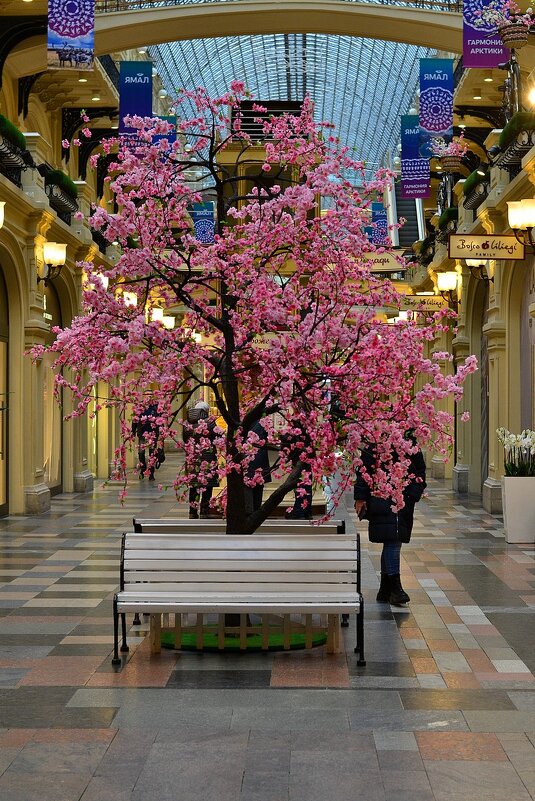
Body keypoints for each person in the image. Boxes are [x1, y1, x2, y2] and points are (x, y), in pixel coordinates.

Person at [354, 435, 426, 605]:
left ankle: (386, 588)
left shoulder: (410, 442)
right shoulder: (375, 440)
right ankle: (395, 587)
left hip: (403, 497)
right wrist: (361, 497)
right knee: (393, 539)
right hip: (381, 496)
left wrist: (412, 494)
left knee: (392, 539)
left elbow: (420, 471)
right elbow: (364, 471)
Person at [183, 400, 220, 519]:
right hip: (208, 459)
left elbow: (185, 440)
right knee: (207, 485)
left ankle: (192, 511)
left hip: (192, 458)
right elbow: (218, 438)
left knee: (194, 485)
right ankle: (205, 510)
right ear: (205, 411)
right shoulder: (210, 423)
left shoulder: (187, 424)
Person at [244, 420, 273, 515]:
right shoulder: (264, 422)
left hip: (247, 456)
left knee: (248, 483)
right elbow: (270, 438)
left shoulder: (244, 421)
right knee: (259, 483)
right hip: (260, 457)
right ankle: (256, 510)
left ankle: (249, 510)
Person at [132, 403, 159, 481]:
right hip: (142, 434)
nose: (149, 396)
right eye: (147, 394)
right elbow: (134, 421)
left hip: (152, 434)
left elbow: (160, 420)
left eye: (150, 395)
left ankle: (151, 472)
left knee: (152, 454)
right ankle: (143, 469)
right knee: (141, 453)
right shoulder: (140, 407)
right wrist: (133, 431)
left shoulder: (155, 408)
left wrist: (161, 432)